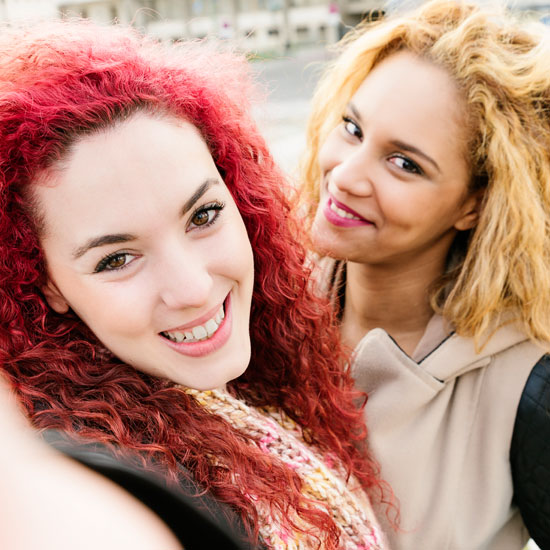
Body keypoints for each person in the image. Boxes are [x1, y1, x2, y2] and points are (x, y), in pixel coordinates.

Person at [0, 19, 388, 550]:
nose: (192, 288)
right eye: (117, 259)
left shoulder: (266, 381)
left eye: (203, 215)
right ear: (46, 286)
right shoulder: (97, 498)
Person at [300, 1, 550, 549]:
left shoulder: (529, 389)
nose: (345, 175)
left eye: (404, 163)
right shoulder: (250, 298)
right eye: (352, 127)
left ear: (475, 206)